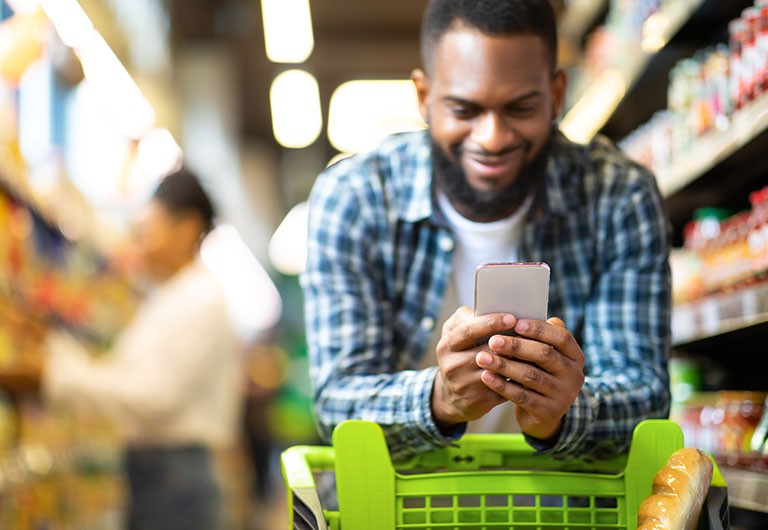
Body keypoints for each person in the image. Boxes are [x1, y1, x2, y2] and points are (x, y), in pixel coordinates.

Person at [301, 0, 672, 462]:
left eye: (520, 108)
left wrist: (560, 414)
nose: (492, 137)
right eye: (464, 109)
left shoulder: (618, 195)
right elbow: (337, 402)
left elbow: (646, 395)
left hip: (560, 504)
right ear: (423, 96)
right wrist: (440, 400)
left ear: (557, 94)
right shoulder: (354, 198)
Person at [43, 167, 244, 530]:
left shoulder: (199, 301)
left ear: (186, 228)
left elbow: (152, 396)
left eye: (148, 231)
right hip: (160, 475)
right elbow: (125, 375)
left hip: (175, 479)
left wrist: (53, 374)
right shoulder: (170, 297)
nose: (138, 244)